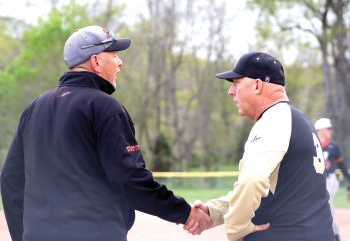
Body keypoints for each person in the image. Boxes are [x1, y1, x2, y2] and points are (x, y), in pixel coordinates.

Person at [0, 25, 212, 241]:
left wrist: (24, 235)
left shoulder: (34, 108)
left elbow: (10, 179)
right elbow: (130, 179)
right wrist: (184, 212)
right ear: (96, 62)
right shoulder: (105, 107)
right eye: (115, 55)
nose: (120, 63)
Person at [185, 52, 335, 240]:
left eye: (236, 83)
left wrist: (236, 230)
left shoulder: (274, 119)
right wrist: (212, 211)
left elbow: (252, 181)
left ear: (257, 85)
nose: (230, 91)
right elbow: (268, 190)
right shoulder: (298, 119)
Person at [314, 117, 350, 241]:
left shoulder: (333, 147)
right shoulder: (311, 144)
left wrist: (349, 182)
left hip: (330, 180)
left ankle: (335, 236)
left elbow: (342, 166)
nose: (330, 130)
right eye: (328, 128)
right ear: (320, 129)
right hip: (315, 181)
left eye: (330, 128)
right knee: (323, 208)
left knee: (327, 206)